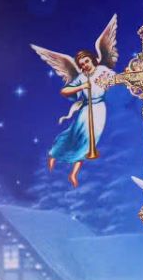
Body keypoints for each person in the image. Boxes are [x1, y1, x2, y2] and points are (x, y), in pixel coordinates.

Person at [46, 50, 112, 187]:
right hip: (86, 110)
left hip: (100, 109)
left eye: (86, 61)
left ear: (92, 59)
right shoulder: (82, 77)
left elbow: (115, 79)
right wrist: (82, 86)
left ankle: (73, 174)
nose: (85, 65)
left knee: (88, 143)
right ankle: (55, 154)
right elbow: (64, 91)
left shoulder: (102, 70)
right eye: (82, 64)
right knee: (74, 136)